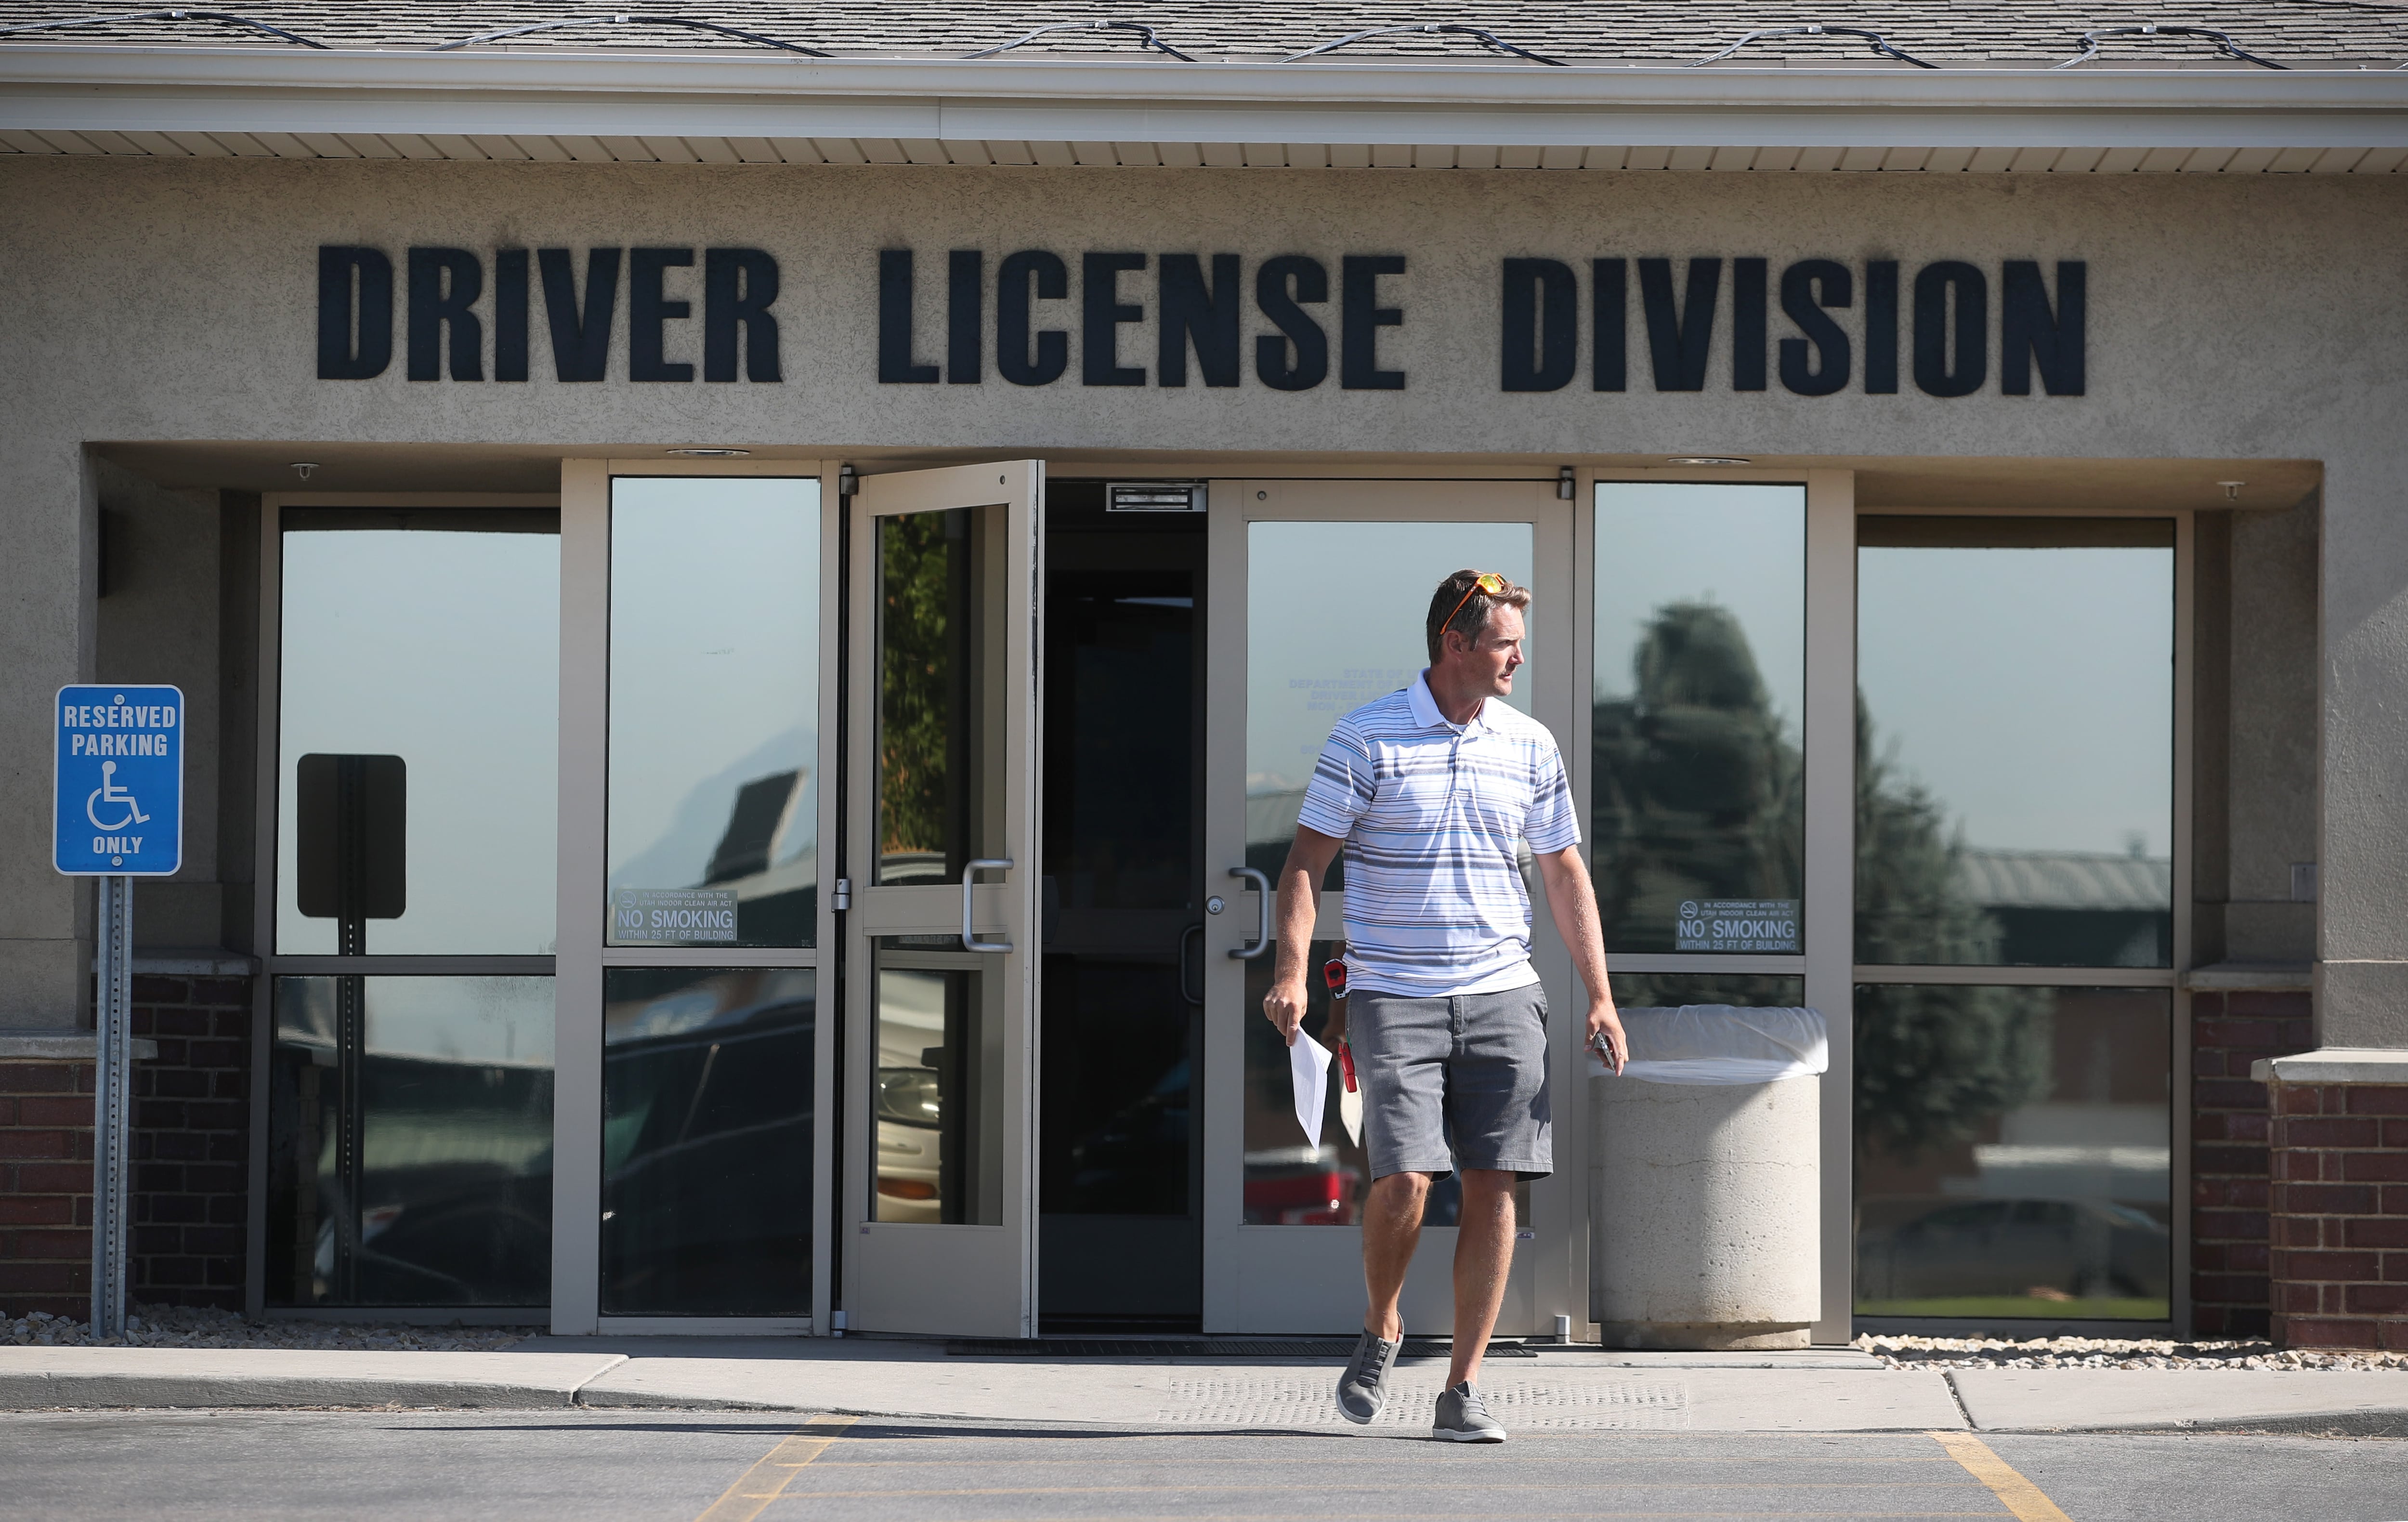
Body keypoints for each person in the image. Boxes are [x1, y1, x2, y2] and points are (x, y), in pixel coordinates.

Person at [1262, 567, 1626, 1443]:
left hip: (1506, 994)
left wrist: (1602, 995)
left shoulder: (1532, 745)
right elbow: (1306, 866)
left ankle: (1462, 1389)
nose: (1518, 657)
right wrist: (1291, 972)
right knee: (1404, 1183)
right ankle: (1383, 1321)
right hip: (1395, 994)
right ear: (1455, 644)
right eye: (1504, 642)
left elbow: (1565, 873)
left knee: (1496, 1186)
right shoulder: (1367, 739)